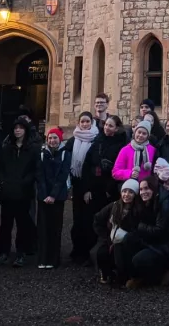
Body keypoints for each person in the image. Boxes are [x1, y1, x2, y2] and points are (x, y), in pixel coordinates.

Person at [0, 119, 38, 267]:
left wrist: (25, 182)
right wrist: (2, 182)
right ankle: (3, 253)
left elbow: (34, 170)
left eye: (20, 128)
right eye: (15, 128)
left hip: (23, 192)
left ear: (25, 130)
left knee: (22, 225)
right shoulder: (5, 148)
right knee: (5, 224)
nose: (17, 130)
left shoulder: (32, 149)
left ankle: (21, 253)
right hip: (8, 192)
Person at [125, 175, 169, 287]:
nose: (143, 192)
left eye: (147, 188)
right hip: (148, 239)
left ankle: (163, 271)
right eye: (141, 189)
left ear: (154, 188)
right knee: (128, 239)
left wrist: (141, 226)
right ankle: (136, 276)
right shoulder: (143, 202)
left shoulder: (164, 204)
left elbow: (160, 231)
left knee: (139, 259)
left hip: (162, 245)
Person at [92, 179, 142, 285]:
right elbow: (97, 219)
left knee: (119, 254)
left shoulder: (138, 210)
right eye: (124, 191)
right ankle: (106, 274)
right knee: (100, 252)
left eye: (131, 192)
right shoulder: (114, 206)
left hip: (127, 243)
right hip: (110, 239)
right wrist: (105, 236)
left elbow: (139, 230)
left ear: (136, 194)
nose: (126, 194)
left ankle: (122, 276)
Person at [36, 126, 71, 269]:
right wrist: (45, 194)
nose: (52, 140)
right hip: (44, 197)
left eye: (55, 137)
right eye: (50, 138)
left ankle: (53, 259)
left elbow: (62, 176)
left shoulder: (65, 154)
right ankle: (42, 258)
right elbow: (40, 175)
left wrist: (53, 195)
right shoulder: (42, 154)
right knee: (43, 228)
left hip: (58, 196)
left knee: (55, 228)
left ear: (59, 139)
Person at [67, 111, 99, 263]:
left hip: (90, 186)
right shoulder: (73, 140)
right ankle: (76, 249)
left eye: (87, 121)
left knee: (88, 220)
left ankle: (87, 251)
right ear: (79, 123)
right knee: (77, 219)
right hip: (76, 184)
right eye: (82, 121)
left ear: (92, 122)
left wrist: (89, 189)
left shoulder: (96, 140)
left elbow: (93, 166)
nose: (85, 124)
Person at [114, 119, 157, 183]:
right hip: (130, 186)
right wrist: (129, 174)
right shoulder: (125, 150)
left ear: (148, 136)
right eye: (139, 132)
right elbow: (115, 172)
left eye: (144, 133)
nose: (140, 135)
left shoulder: (152, 150)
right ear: (135, 133)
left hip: (146, 187)